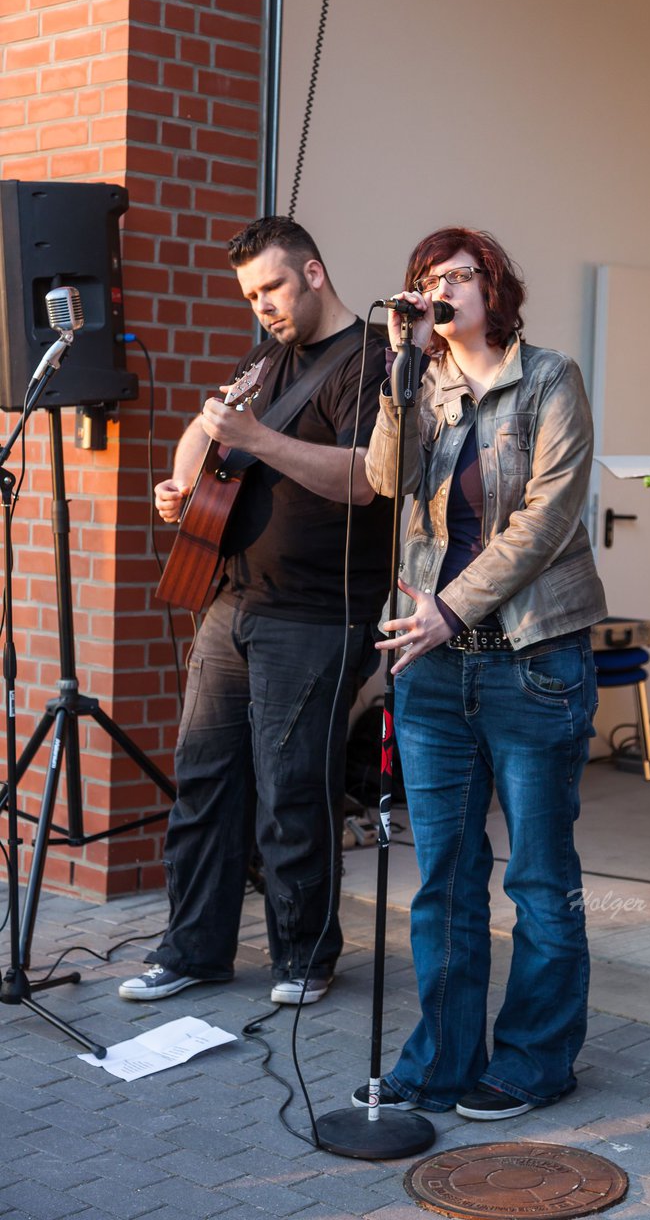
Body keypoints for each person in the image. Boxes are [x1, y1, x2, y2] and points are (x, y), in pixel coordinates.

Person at [351, 226, 607, 1120]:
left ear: (492, 288)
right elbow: (384, 482)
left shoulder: (550, 381)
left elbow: (544, 520)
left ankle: (536, 1060)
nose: (439, 288)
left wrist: (449, 606)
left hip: (532, 661)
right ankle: (444, 1057)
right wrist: (397, 377)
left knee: (538, 876)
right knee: (446, 873)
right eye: (426, 278)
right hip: (432, 672)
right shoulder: (422, 384)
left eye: (456, 275)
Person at [119, 217, 392, 1005]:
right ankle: (193, 950)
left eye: (270, 288)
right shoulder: (264, 358)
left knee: (290, 789)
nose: (261, 307)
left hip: (316, 614)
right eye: (249, 296)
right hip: (230, 600)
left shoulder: (370, 361)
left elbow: (365, 479)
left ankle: (304, 956)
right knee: (204, 782)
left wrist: (259, 443)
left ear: (312, 273)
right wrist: (179, 487)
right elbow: (201, 434)